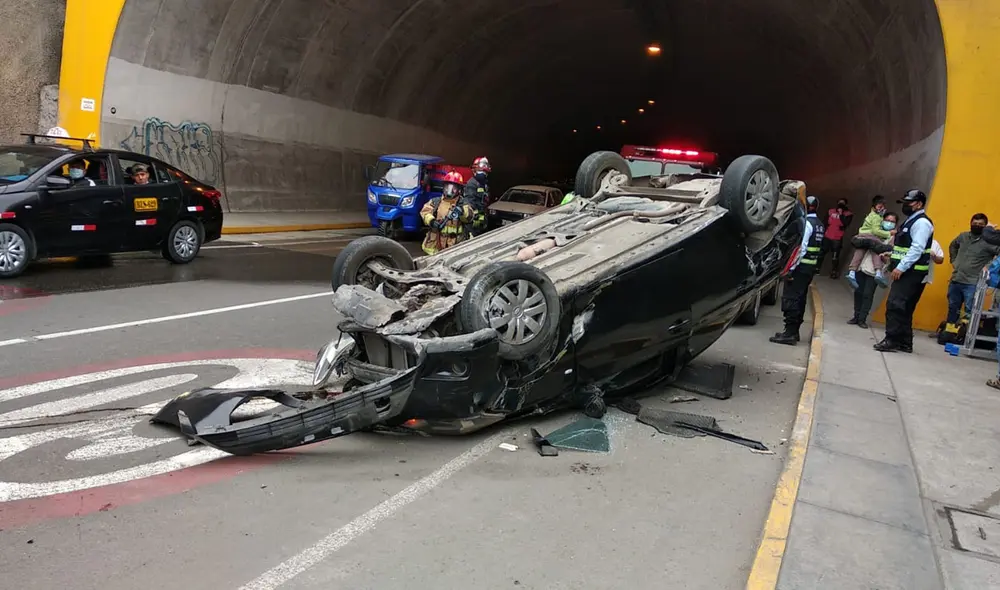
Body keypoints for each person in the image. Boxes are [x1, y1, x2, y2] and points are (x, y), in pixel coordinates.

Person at [874, 189, 935, 353]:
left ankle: (892, 340)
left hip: (911, 272)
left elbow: (917, 249)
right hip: (910, 271)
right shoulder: (911, 221)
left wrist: (901, 267)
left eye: (909, 202)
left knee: (895, 304)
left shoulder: (921, 223)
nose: (906, 205)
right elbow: (905, 247)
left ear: (919, 204)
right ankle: (905, 342)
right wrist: (892, 254)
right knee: (905, 308)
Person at [771, 196, 825, 346]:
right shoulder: (819, 224)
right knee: (800, 299)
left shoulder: (806, 223)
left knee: (792, 299)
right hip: (808, 269)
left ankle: (789, 333)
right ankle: (793, 332)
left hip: (799, 269)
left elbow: (801, 248)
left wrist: (790, 269)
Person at [942, 214, 1000, 339]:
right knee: (953, 308)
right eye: (975, 224)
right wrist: (954, 261)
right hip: (957, 279)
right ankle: (949, 333)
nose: (977, 226)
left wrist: (989, 267)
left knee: (969, 311)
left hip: (973, 282)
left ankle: (964, 336)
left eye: (980, 225)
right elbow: (953, 245)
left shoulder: (989, 241)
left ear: (985, 227)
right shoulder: (963, 236)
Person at [849, 212, 898, 329]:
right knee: (859, 292)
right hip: (862, 267)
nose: (889, 223)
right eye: (887, 220)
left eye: (892, 221)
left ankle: (862, 318)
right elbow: (857, 240)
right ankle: (856, 316)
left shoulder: (893, 237)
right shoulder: (873, 231)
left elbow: (891, 251)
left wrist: (882, 251)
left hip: (876, 270)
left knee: (868, 294)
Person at [420, 170, 474, 255]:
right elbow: (425, 212)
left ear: (459, 190)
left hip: (455, 246)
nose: (450, 190)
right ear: (443, 187)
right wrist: (432, 221)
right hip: (436, 245)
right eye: (447, 187)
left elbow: (469, 217)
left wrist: (462, 211)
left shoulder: (463, 204)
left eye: (454, 188)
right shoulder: (436, 202)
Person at [846, 195, 892, 288]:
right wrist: (889, 233)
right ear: (874, 206)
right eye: (880, 206)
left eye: (883, 207)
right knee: (876, 250)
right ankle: (878, 272)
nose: (882, 209)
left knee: (859, 252)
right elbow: (875, 231)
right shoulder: (877, 217)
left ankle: (852, 272)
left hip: (862, 235)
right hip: (871, 236)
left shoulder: (870, 214)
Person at [819, 198, 854, 278]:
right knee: (821, 253)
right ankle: (817, 269)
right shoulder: (831, 211)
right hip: (827, 235)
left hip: (837, 237)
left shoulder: (848, 214)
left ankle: (834, 271)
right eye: (839, 203)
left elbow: (845, 224)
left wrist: (841, 214)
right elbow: (825, 222)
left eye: (843, 203)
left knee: (835, 256)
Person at [464, 156, 491, 237]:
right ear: (474, 170)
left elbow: (484, 202)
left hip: (481, 223)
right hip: (472, 223)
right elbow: (469, 203)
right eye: (480, 171)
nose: (482, 174)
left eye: (484, 172)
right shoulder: (472, 183)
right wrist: (474, 218)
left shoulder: (484, 185)